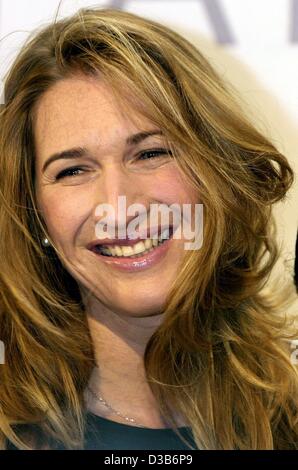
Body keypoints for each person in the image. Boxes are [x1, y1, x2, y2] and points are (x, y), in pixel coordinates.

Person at [0, 7, 297, 450]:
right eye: (73, 170)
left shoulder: (287, 411)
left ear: (216, 169)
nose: (120, 207)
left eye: (150, 153)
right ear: (34, 212)